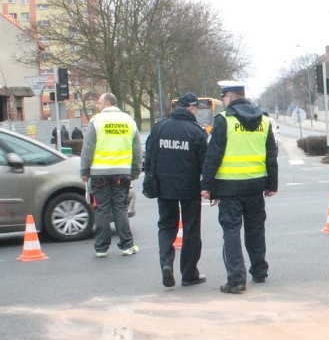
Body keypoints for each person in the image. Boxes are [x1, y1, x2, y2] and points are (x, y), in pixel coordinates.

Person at [201, 81, 278, 294]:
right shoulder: (264, 121)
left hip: (229, 188)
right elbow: (271, 155)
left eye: (224, 97)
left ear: (229, 97)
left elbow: (213, 155)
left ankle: (236, 280)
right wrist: (272, 184)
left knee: (231, 232)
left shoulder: (225, 120)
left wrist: (206, 185)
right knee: (255, 229)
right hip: (255, 186)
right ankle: (259, 271)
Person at [145, 92, 208, 288]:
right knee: (190, 230)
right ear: (190, 108)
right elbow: (204, 164)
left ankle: (166, 264)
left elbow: (149, 156)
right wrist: (207, 187)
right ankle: (189, 274)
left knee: (166, 226)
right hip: (190, 188)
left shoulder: (159, 128)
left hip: (164, 187)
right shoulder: (197, 132)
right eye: (196, 108)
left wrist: (151, 177)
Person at [80, 93, 142, 257]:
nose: (97, 106)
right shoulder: (129, 121)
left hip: (99, 173)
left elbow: (88, 149)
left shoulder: (96, 121)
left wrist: (84, 171)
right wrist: (135, 170)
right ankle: (127, 245)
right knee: (120, 208)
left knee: (102, 210)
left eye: (99, 102)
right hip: (121, 173)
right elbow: (136, 150)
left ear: (107, 103)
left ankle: (101, 248)